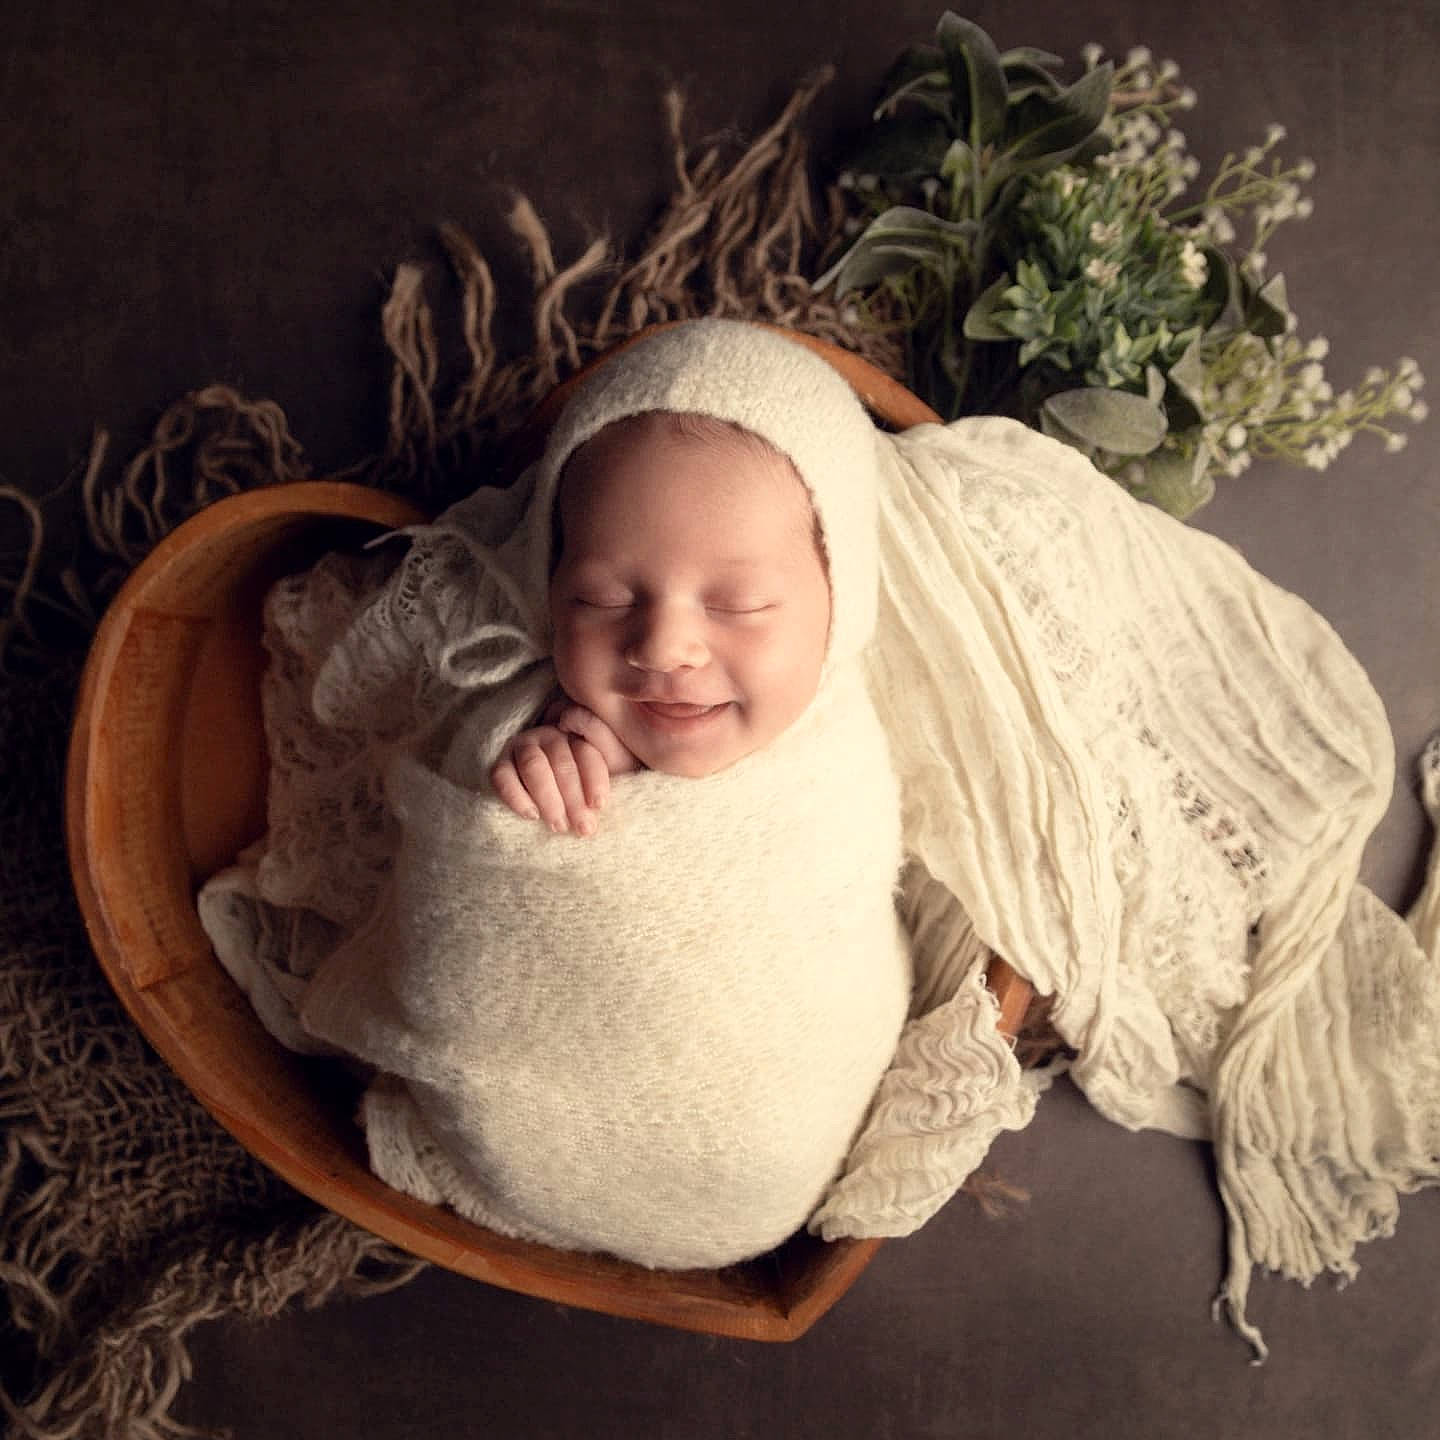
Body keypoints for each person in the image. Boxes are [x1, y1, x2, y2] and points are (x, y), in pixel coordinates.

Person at [488, 409, 832, 833]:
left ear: (841, 603)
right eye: (604, 600)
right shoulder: (538, 721)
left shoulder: (848, 762)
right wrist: (549, 772)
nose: (663, 650)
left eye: (741, 605)